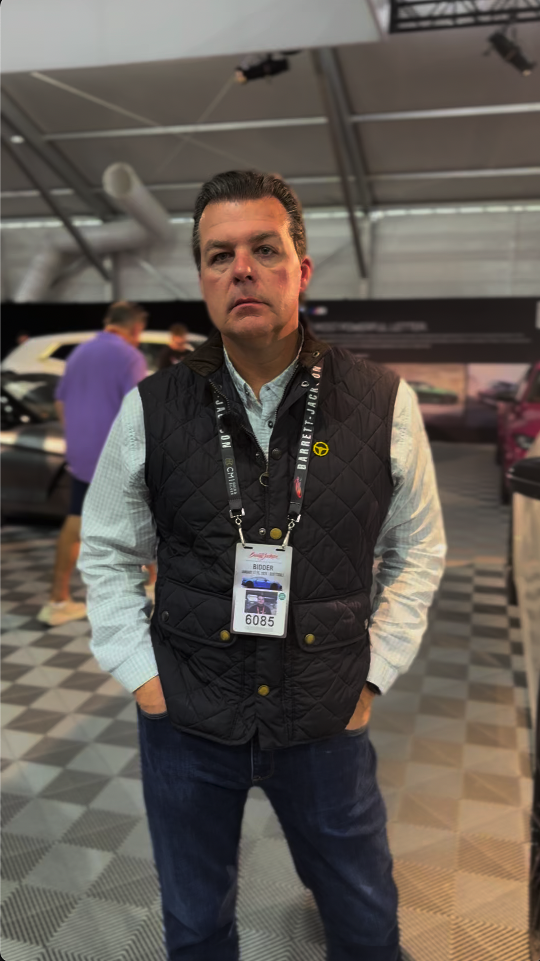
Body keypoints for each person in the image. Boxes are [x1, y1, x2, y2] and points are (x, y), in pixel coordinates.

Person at [79, 171, 446, 961]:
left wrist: (375, 672)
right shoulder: (152, 407)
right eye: (219, 255)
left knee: (364, 923)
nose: (241, 268)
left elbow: (419, 549)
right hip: (187, 713)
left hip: (325, 715)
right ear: (204, 281)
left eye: (263, 249)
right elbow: (106, 548)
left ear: (301, 270)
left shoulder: (383, 400)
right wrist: (142, 676)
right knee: (197, 925)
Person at [38, 302, 148, 627]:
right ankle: (151, 585)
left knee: (75, 521)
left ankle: (57, 600)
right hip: (115, 455)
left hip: (82, 453)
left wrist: (78, 437)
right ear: (136, 329)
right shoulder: (130, 356)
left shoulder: (79, 354)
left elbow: (60, 401)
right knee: (147, 512)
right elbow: (137, 410)